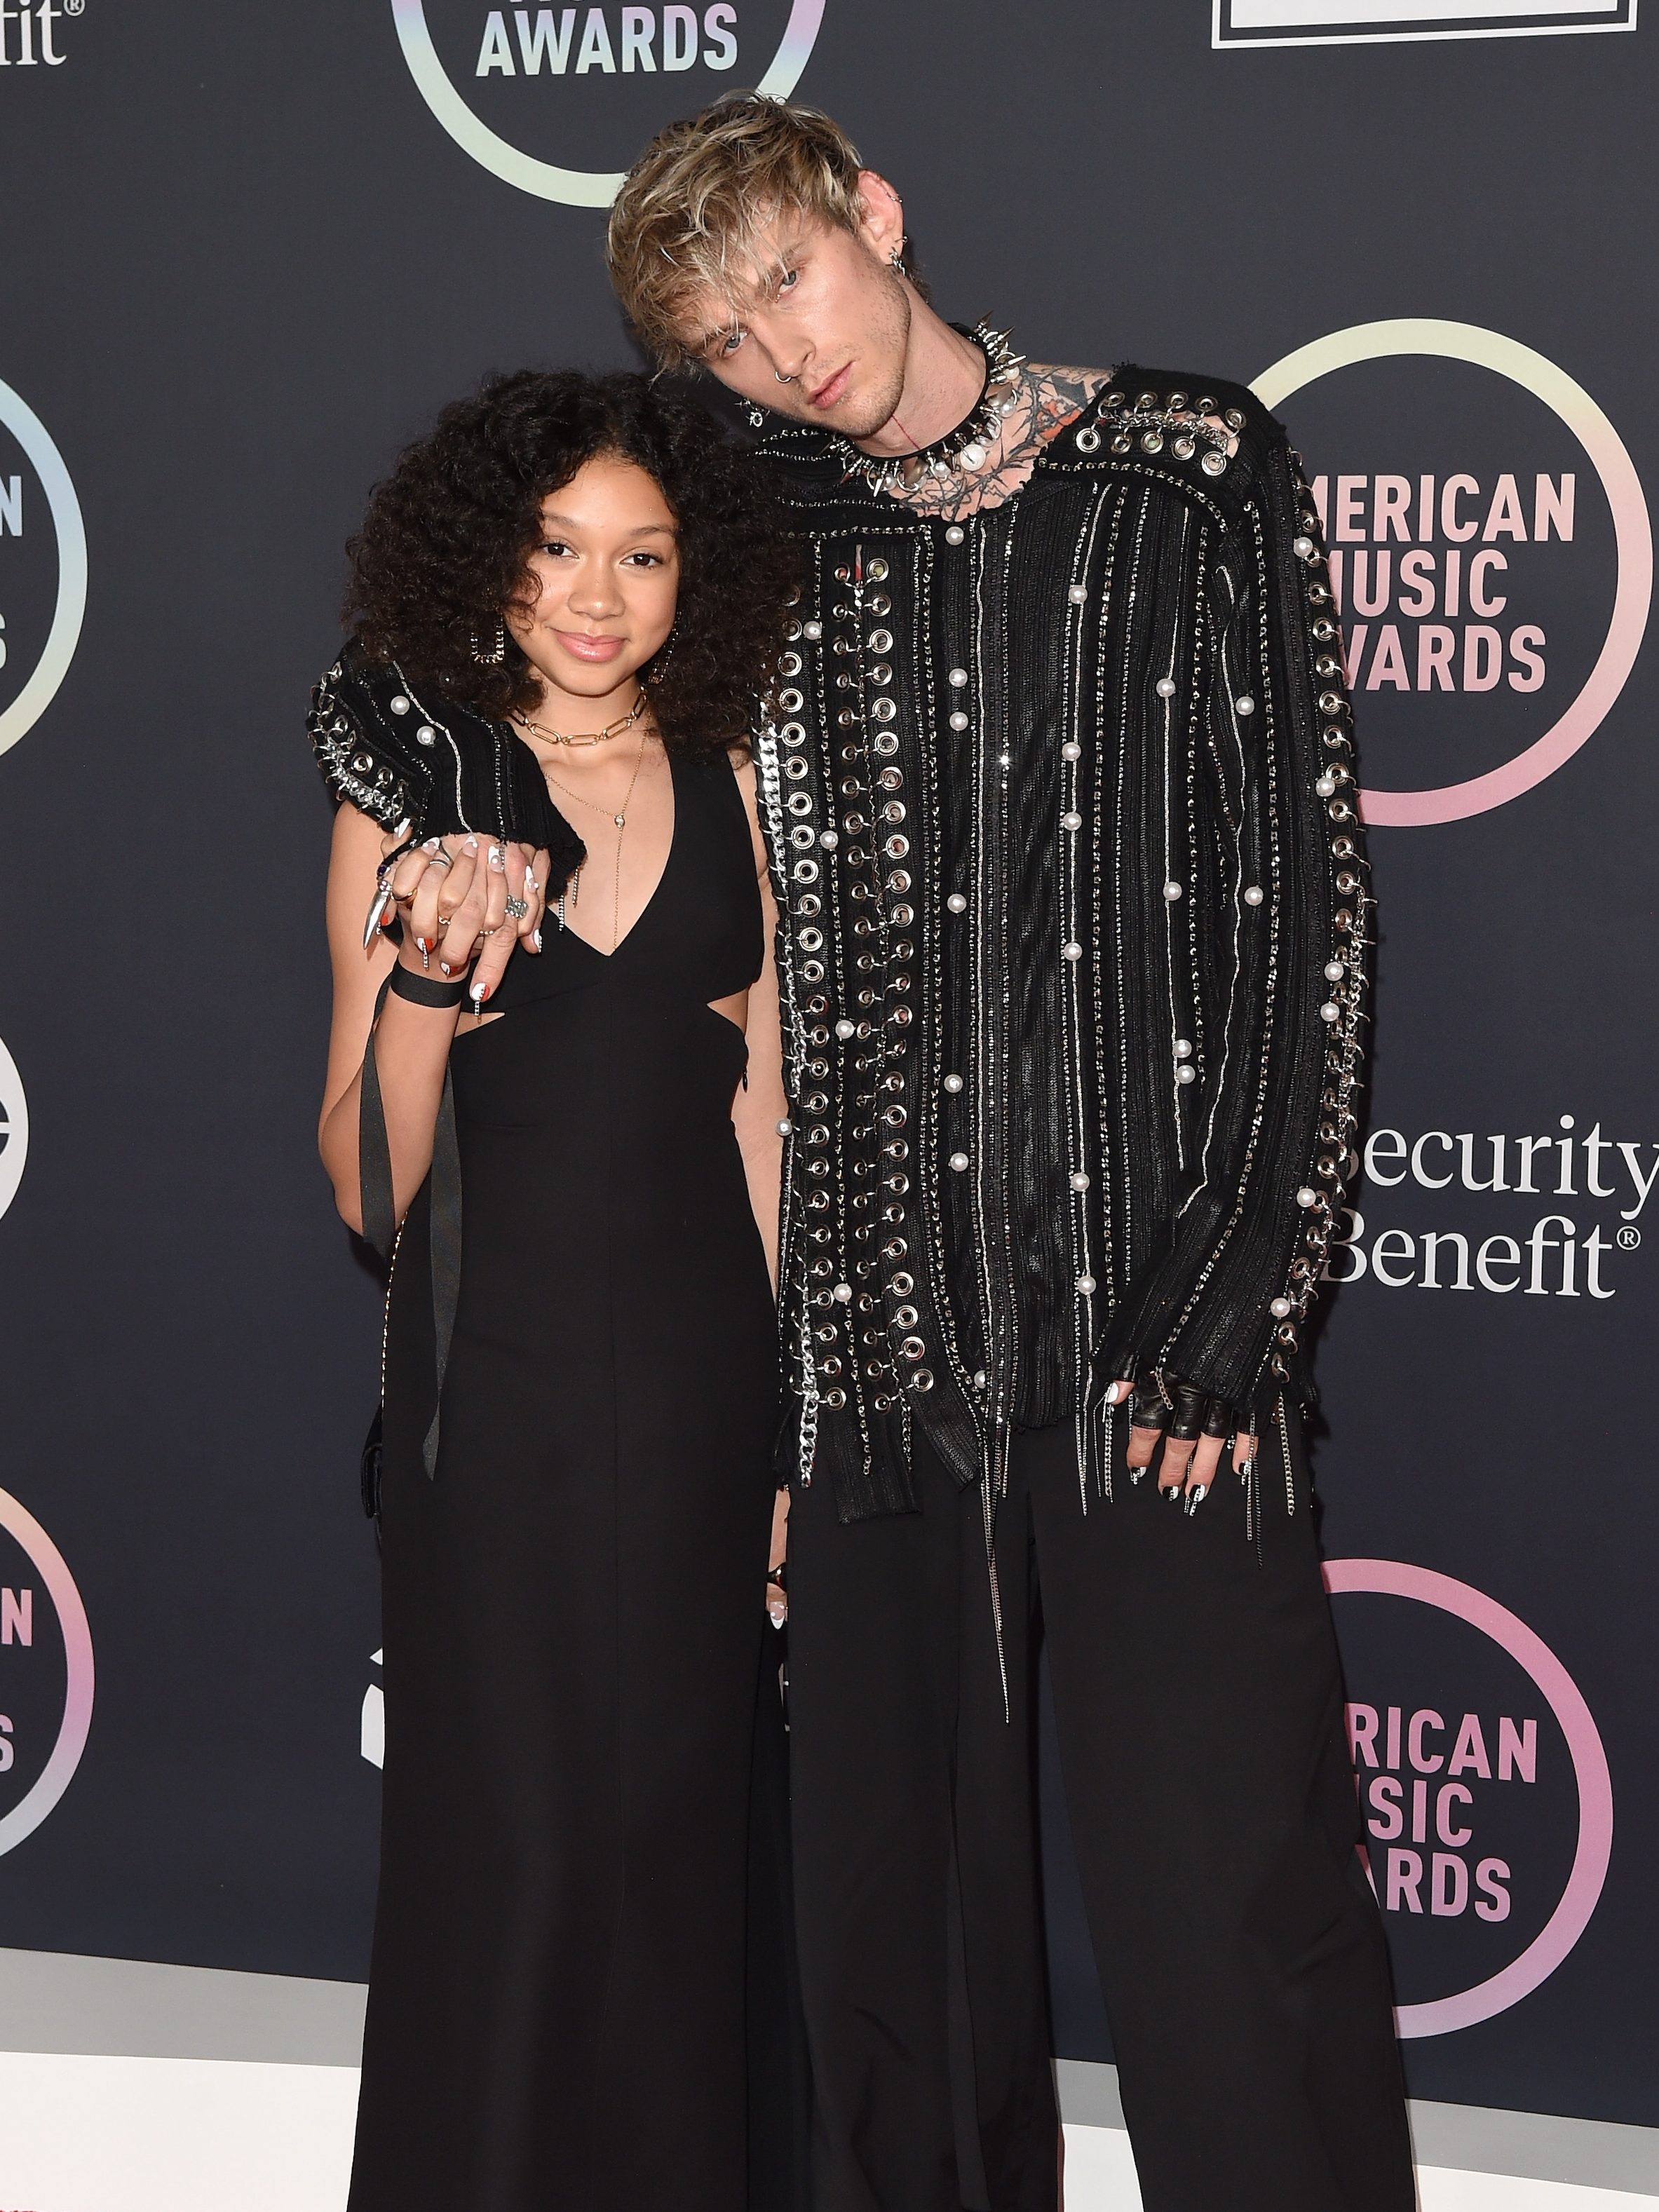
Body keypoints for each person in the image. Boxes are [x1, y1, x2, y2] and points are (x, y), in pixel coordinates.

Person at [607, 95, 1415, 2212]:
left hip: (1165, 1363)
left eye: (788, 279)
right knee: (899, 1996)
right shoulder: (748, 524)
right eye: (726, 338)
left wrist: (1250, 1279)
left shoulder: (1187, 464)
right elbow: (494, 611)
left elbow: (1302, 901)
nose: (784, 353)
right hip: (880, 1379)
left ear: (871, 212)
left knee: (1247, 1956)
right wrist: (437, 818)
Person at [311, 368, 798, 2212]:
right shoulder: (412, 783)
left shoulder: (739, 772)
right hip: (490, 1410)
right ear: (490, 558)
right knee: (506, 1881)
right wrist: (433, 970)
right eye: (556, 545)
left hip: (698, 1401)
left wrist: (784, 1448)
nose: (596, 596)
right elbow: (369, 1181)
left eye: (643, 554)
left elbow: (760, 1120)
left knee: (682, 1873)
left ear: (699, 575)